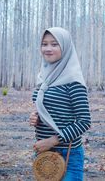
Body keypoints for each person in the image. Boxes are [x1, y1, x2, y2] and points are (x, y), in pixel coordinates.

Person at [29, 27, 91, 181]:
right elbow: (48, 110)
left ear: (65, 47)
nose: (48, 49)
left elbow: (84, 121)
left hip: (68, 154)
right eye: (44, 44)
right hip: (43, 154)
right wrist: (35, 117)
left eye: (54, 44)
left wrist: (53, 141)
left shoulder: (73, 82)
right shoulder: (44, 77)